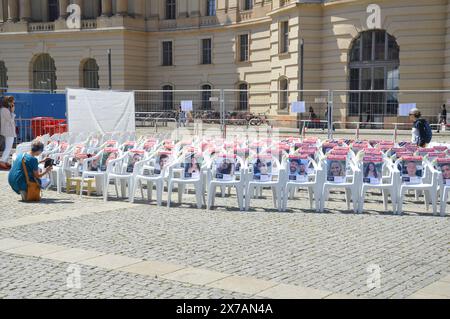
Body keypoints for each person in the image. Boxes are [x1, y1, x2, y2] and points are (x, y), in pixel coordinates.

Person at [0, 96, 17, 170]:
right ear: (8, 102)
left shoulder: (5, 110)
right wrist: (12, 112)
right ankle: (3, 160)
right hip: (8, 131)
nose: (13, 103)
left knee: (8, 147)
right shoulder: (4, 110)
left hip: (8, 131)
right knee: (8, 147)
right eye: (12, 102)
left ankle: (5, 160)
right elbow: (10, 120)